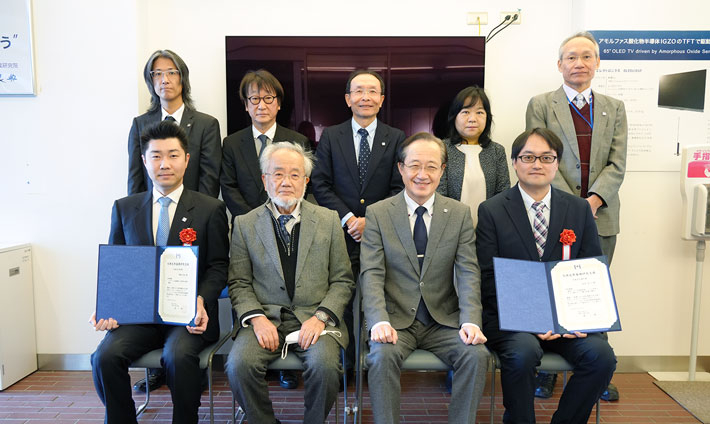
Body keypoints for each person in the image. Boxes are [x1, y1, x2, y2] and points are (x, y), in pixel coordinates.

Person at [91, 121, 229, 424]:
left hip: (190, 315)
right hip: (141, 318)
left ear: (187, 159)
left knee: (177, 357)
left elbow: (219, 265)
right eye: (155, 156)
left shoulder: (209, 209)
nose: (164, 164)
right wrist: (110, 307)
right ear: (144, 160)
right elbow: (119, 266)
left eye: (173, 155)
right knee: (104, 356)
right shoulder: (124, 208)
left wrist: (203, 299)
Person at [476, 128, 616, 423]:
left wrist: (580, 319)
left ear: (557, 163)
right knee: (523, 353)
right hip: (514, 321)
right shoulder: (492, 210)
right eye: (528, 157)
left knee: (601, 357)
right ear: (515, 162)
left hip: (568, 321)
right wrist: (534, 319)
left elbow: (591, 269)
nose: (536, 164)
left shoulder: (578, 210)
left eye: (546, 157)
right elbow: (488, 276)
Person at [360, 132, 489, 424]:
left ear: (443, 170)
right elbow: (371, 272)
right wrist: (378, 320)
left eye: (431, 166)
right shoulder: (379, 214)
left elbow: (468, 270)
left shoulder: (458, 214)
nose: (422, 174)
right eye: (414, 165)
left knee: (476, 356)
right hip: (395, 321)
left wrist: (470, 320)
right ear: (401, 169)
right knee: (381, 358)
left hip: (442, 320)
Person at [525, 31, 627, 401]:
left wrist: (594, 200)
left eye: (586, 56)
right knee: (550, 289)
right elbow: (540, 156)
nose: (578, 63)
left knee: (591, 292)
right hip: (554, 212)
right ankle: (548, 371)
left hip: (602, 214)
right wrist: (573, 205)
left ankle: (597, 369)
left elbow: (618, 162)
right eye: (571, 57)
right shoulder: (541, 103)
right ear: (560, 64)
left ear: (597, 63)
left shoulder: (614, 108)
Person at [225, 142, 354, 424]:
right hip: (265, 317)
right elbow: (239, 282)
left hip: (314, 318)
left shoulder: (328, 220)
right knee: (238, 365)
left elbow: (343, 280)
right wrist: (256, 318)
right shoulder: (245, 224)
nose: (286, 182)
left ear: (306, 181)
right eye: (278, 174)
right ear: (265, 179)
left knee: (325, 367)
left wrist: (321, 318)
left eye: (295, 175)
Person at [311, 69, 405, 371]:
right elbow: (320, 183)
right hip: (340, 234)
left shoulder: (396, 138)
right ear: (348, 98)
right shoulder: (331, 135)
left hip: (380, 234)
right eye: (359, 91)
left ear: (382, 99)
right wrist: (350, 218)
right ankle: (346, 367)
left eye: (373, 91)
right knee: (343, 302)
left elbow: (398, 187)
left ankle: (374, 363)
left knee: (377, 298)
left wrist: (370, 220)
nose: (366, 97)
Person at [128, 49, 221, 198]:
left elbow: (209, 182)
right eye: (157, 74)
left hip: (194, 215)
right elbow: (135, 179)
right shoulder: (140, 124)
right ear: (151, 81)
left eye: (171, 72)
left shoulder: (207, 125)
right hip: (152, 214)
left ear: (182, 78)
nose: (165, 79)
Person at [221, 69, 310, 222]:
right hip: (246, 226)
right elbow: (229, 188)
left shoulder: (298, 142)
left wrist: (282, 214)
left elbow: (302, 184)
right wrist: (252, 220)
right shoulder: (232, 143)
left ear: (279, 104)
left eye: (268, 98)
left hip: (287, 221)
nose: (261, 106)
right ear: (246, 106)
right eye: (255, 99)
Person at [438, 86, 510, 228]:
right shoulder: (441, 148)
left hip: (488, 229)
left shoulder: (496, 151)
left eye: (479, 112)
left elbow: (503, 193)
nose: (472, 119)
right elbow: (439, 194)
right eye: (465, 112)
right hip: (449, 227)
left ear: (487, 117)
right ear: (454, 116)